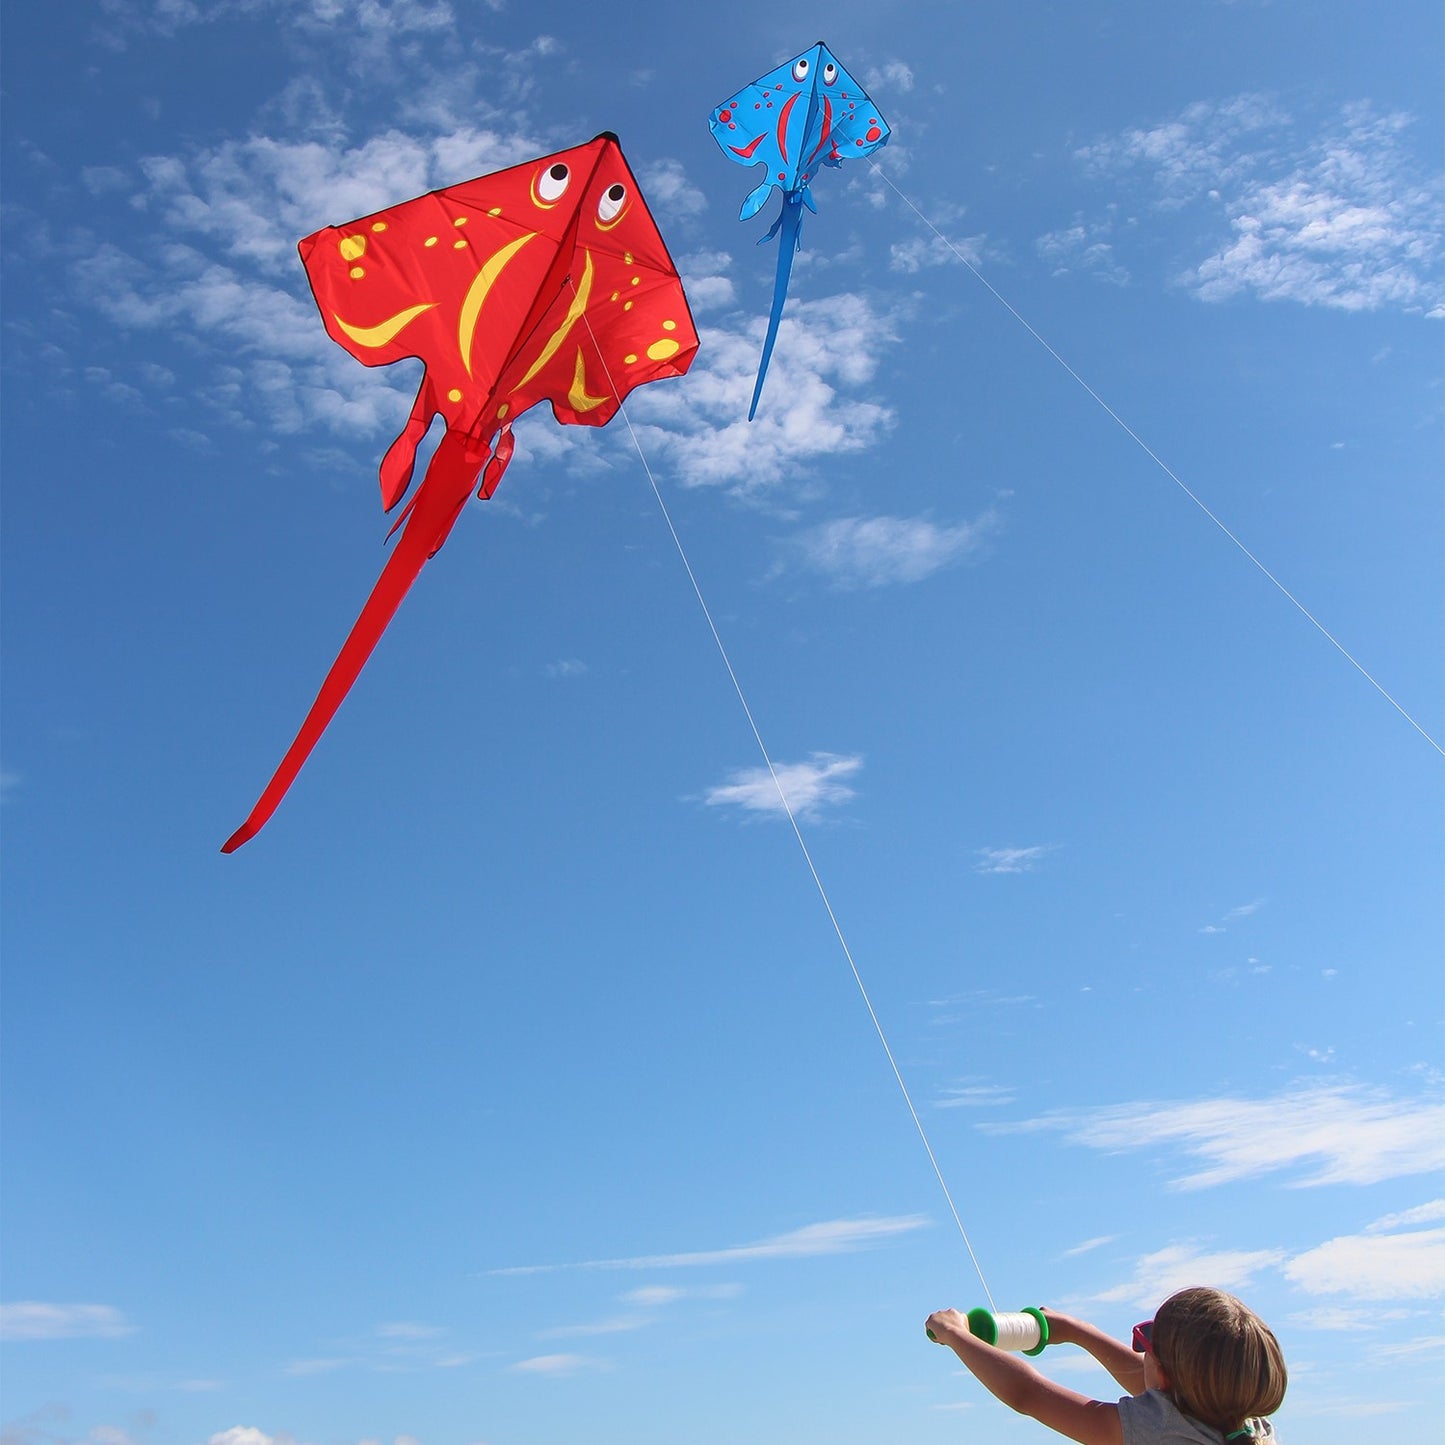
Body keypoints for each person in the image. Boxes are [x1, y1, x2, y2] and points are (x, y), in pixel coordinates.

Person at [925, 1286, 1286, 1443]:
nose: (1139, 1352)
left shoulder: (1158, 1432)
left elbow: (1029, 1395)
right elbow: (1158, 1382)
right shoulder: (1248, 1425)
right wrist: (1079, 1332)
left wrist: (956, 1334)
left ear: (1163, 1373)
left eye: (1146, 1343)